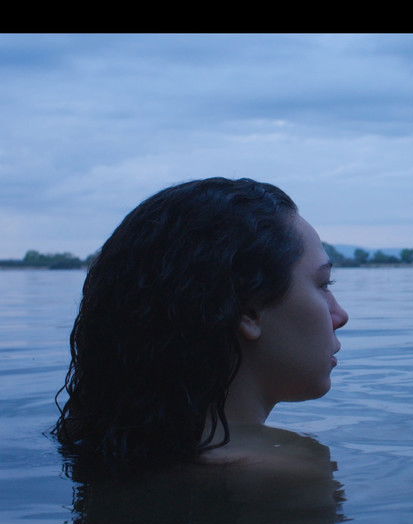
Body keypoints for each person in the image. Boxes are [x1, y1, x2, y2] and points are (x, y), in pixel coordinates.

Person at [52, 176, 349, 475]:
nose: (340, 315)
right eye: (323, 284)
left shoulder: (103, 448)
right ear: (248, 312)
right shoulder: (286, 474)